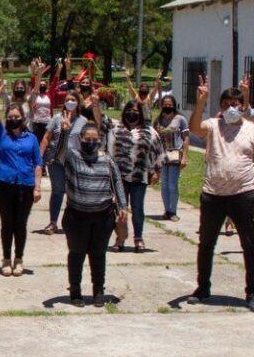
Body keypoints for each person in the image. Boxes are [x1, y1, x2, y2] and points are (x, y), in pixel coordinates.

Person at [186, 77, 254, 311]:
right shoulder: (213, 125)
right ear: (221, 106)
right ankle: (202, 288)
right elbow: (194, 129)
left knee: (250, 245)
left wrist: (248, 96)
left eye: (235, 104)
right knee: (206, 244)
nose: (230, 109)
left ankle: (252, 292)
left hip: (244, 194)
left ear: (242, 106)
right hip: (213, 195)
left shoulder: (250, 129)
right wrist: (200, 102)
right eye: (226, 104)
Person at [60, 119, 127, 307]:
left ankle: (98, 290)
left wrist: (122, 206)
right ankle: (75, 292)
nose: (91, 142)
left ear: (100, 140)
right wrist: (65, 132)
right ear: (80, 139)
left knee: (98, 254)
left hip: (102, 217)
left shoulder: (107, 160)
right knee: (76, 254)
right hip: (76, 217)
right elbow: (60, 152)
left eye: (94, 139)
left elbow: (117, 181)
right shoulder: (72, 157)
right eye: (87, 139)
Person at [0, 85, 43, 277]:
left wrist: (37, 187)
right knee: (7, 223)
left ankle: (19, 258)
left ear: (23, 118)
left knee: (20, 223)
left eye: (16, 117)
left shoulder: (31, 138)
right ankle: (6, 259)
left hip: (25, 186)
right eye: (10, 117)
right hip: (3, 184)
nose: (13, 120)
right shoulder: (1, 133)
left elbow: (38, 163)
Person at [111, 100, 164, 252]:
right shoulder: (116, 128)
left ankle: (138, 238)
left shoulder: (149, 131)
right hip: (119, 176)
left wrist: (156, 171)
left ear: (141, 113)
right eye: (129, 110)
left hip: (139, 176)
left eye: (135, 111)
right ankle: (120, 237)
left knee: (137, 208)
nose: (132, 113)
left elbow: (158, 150)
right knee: (120, 208)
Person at [39, 91, 88, 235]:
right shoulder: (56, 119)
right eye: (68, 99)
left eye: (73, 99)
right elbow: (46, 138)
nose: (70, 102)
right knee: (57, 191)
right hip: (56, 161)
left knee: (74, 192)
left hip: (75, 162)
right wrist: (39, 159)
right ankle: (53, 222)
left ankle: (73, 222)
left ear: (78, 102)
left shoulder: (83, 121)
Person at [153, 95, 189, 221]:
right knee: (164, 184)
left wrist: (184, 156)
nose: (168, 107)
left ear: (174, 105)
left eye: (170, 104)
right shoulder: (158, 120)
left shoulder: (180, 119)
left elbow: (186, 138)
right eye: (165, 104)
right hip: (162, 156)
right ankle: (166, 210)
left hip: (175, 155)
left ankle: (173, 211)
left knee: (173, 185)